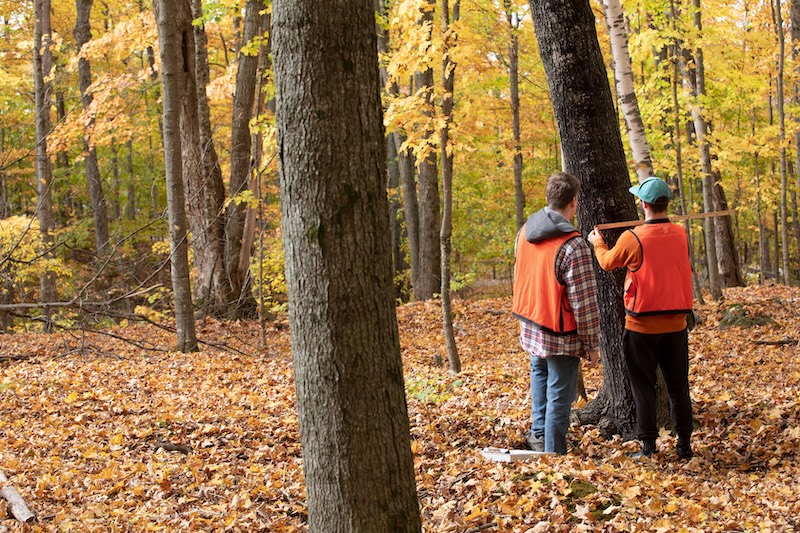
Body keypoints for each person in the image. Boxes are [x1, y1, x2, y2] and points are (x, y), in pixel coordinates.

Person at [587, 176, 694, 459]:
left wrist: (597, 242)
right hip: (675, 326)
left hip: (641, 327)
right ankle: (684, 444)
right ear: (665, 203)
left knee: (644, 387)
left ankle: (648, 447)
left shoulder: (632, 237)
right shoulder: (681, 233)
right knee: (678, 385)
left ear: (643, 203)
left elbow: (607, 262)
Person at [512, 172, 600, 455]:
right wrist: (592, 345)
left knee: (539, 376)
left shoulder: (525, 232)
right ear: (573, 202)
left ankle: (539, 438)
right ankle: (553, 455)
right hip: (560, 333)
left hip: (532, 323)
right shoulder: (574, 246)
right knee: (560, 395)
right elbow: (584, 303)